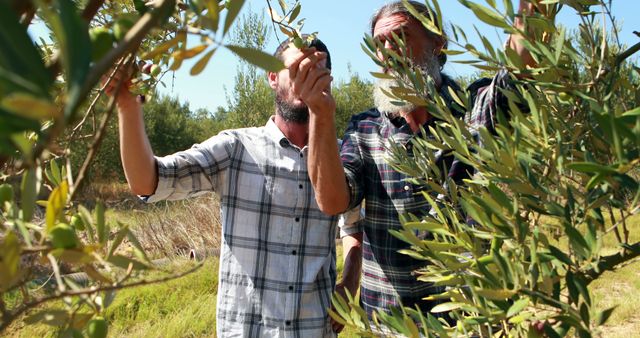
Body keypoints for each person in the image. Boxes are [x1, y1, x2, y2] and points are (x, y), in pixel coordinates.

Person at [304, 0, 543, 323]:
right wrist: (320, 113)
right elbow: (333, 201)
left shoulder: (473, 110)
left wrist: (531, 8)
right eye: (380, 44)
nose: (389, 52)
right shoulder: (364, 130)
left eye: (401, 37)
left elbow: (518, 69)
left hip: (468, 320)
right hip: (391, 325)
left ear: (437, 43)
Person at [107, 37, 360, 337]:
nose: (304, 81)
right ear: (272, 77)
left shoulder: (344, 155)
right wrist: (127, 107)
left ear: (327, 81)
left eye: (314, 71)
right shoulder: (235, 148)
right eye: (295, 69)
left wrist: (349, 283)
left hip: (315, 330)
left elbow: (355, 226)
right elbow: (149, 181)